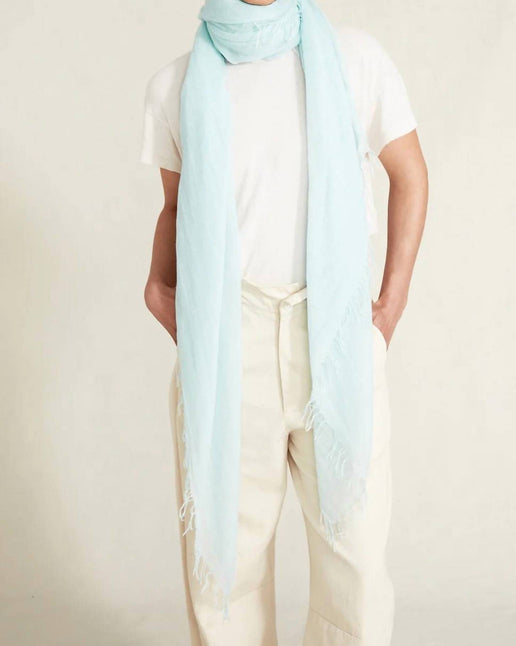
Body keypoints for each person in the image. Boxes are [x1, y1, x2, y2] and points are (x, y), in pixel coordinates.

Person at [140, 0, 428, 643]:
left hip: (335, 334)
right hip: (229, 336)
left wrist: (389, 306)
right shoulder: (175, 84)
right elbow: (177, 205)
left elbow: (410, 174)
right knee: (227, 569)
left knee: (356, 562)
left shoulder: (354, 58)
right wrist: (160, 288)